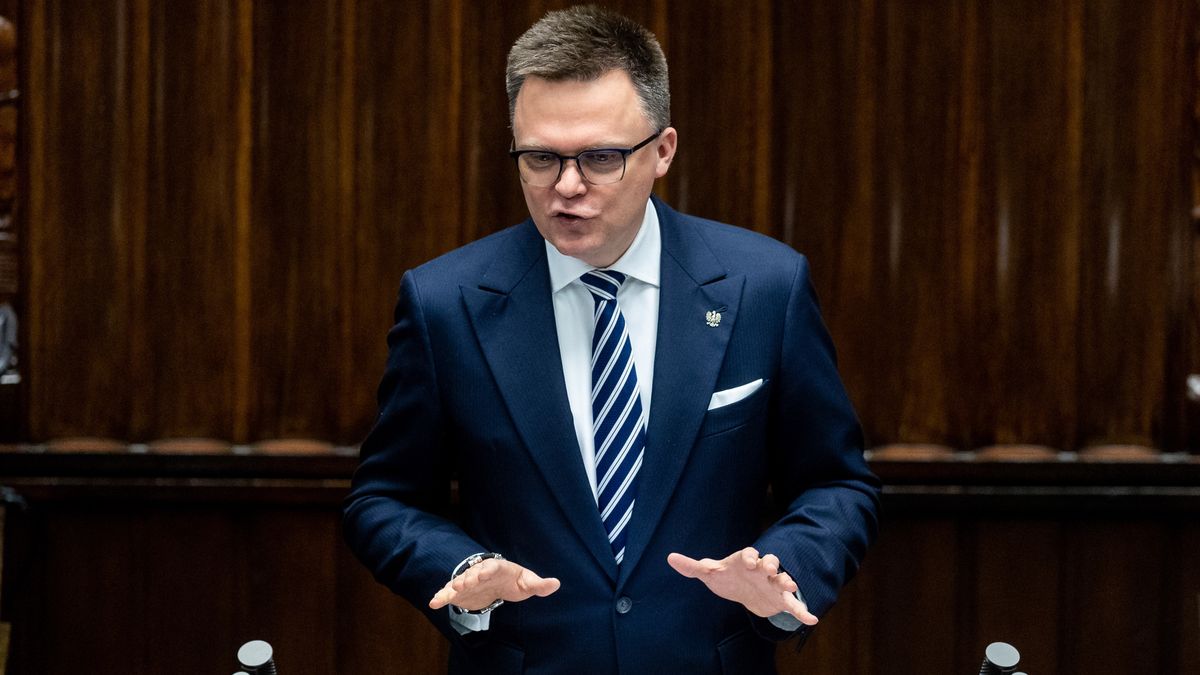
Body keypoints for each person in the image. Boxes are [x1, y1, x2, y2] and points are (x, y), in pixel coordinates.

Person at [343, 5, 880, 673]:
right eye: (540, 157)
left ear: (663, 151)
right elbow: (383, 497)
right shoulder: (443, 303)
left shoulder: (764, 287)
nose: (567, 187)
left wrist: (783, 567)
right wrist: (463, 566)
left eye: (600, 157)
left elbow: (837, 483)